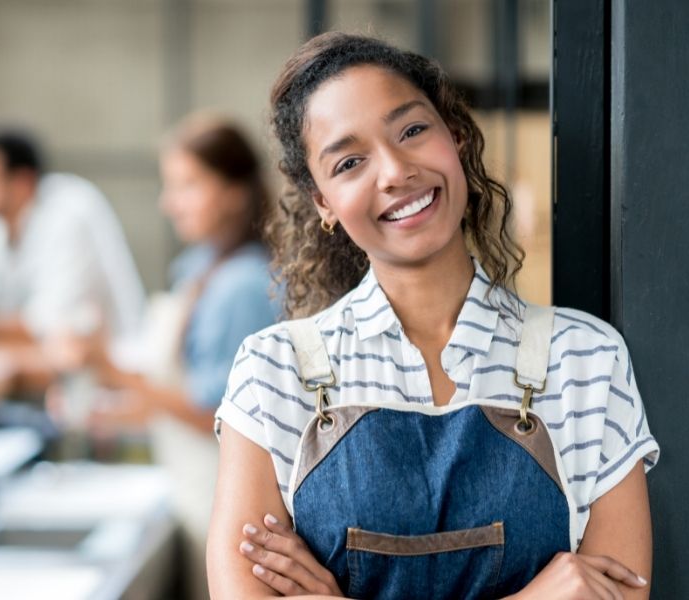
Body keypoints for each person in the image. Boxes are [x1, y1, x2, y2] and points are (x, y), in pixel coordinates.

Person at [207, 33, 658, 600]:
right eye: (349, 162)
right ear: (322, 201)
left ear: (457, 137)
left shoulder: (587, 359)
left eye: (413, 130)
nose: (395, 171)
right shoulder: (274, 372)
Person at [60, 114, 280, 600]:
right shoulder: (202, 267)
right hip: (192, 493)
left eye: (187, 185)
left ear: (233, 191)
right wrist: (117, 412)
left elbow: (218, 415)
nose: (168, 202)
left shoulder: (240, 285)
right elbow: (188, 388)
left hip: (222, 504)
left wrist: (109, 367)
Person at [0, 130, 145, 387]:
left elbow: (48, 325)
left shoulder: (70, 212)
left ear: (23, 182)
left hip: (105, 388)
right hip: (40, 377)